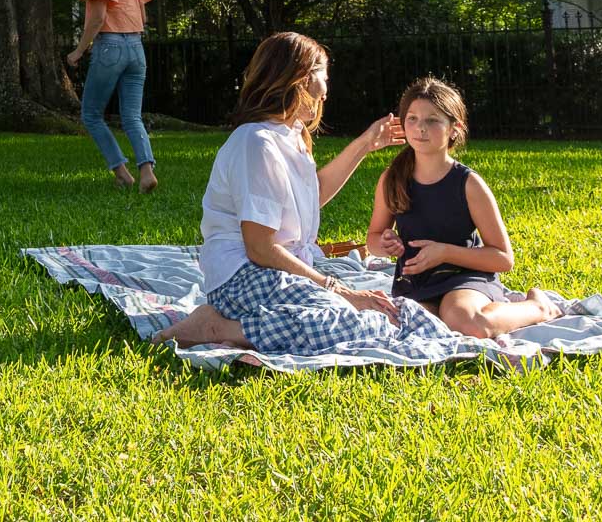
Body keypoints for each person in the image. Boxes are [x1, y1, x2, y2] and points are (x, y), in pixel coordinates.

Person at [153, 32, 458, 354]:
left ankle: (240, 326)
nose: (326, 92)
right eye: (323, 78)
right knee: (351, 322)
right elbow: (259, 248)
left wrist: (366, 144)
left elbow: (310, 198)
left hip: (277, 270)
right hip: (243, 274)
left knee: (382, 315)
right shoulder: (256, 144)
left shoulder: (290, 136)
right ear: (300, 78)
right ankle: (215, 327)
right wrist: (333, 286)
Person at [365, 77, 562, 338]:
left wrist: (444, 253)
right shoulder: (392, 179)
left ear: (454, 128)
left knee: (464, 321)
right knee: (397, 326)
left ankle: (538, 307)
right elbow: (373, 239)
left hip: (465, 277)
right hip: (416, 281)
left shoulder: (468, 184)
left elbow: (503, 258)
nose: (420, 127)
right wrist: (386, 243)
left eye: (432, 120)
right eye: (412, 118)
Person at [65, 0, 158, 192]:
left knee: (91, 114)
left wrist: (79, 50)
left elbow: (97, 19)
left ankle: (121, 173)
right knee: (132, 116)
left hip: (111, 47)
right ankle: (146, 171)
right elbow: (143, 17)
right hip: (136, 48)